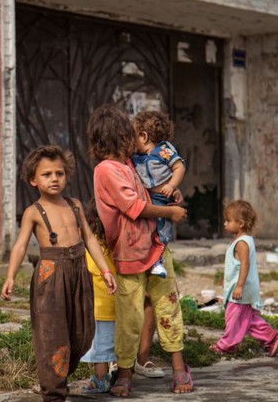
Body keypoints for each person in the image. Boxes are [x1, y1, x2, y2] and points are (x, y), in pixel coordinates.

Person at [87, 106, 193, 396]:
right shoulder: (106, 170)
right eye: (129, 135)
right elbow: (134, 207)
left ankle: (179, 367)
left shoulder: (129, 164)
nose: (135, 141)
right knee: (130, 315)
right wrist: (170, 212)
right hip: (127, 254)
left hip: (156, 247)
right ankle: (124, 372)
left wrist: (171, 191)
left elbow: (149, 189)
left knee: (168, 305)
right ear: (117, 137)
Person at [1, 145, 117, 402]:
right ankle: (53, 393)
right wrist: (10, 276)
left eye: (59, 173)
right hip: (51, 275)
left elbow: (88, 238)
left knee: (83, 332)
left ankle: (60, 375)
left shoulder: (75, 205)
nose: (54, 179)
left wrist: (105, 269)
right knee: (52, 333)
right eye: (46, 174)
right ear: (33, 180)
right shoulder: (33, 212)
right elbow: (20, 246)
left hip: (79, 270)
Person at [80, 199, 164, 394]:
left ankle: (101, 379)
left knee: (101, 348)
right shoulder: (121, 246)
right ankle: (121, 370)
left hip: (100, 308)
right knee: (119, 342)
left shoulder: (92, 246)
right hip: (122, 304)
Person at [210, 200, 278, 357]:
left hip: (241, 291)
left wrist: (239, 286)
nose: (225, 224)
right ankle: (272, 338)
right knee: (248, 321)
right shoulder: (244, 240)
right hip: (242, 288)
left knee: (234, 320)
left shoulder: (241, 243)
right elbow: (235, 266)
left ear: (241, 223)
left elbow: (245, 265)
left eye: (228, 221)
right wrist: (229, 281)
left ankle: (225, 346)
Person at [131, 110, 185, 278]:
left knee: (162, 230)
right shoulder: (136, 156)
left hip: (162, 197)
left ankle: (158, 261)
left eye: (134, 136)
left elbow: (179, 167)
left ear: (144, 136)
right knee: (149, 228)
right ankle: (149, 258)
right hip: (148, 197)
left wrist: (172, 185)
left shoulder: (163, 150)